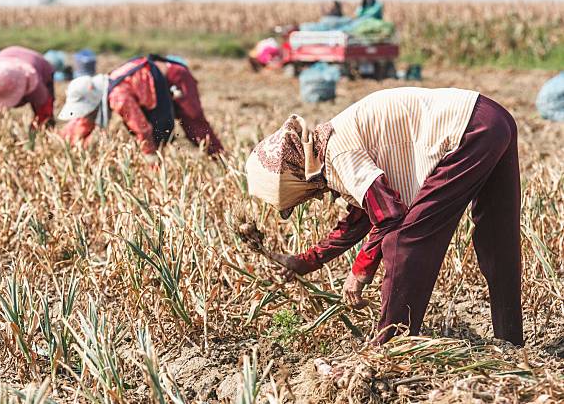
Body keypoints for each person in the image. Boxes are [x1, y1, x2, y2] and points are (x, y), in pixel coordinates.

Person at [245, 87, 523, 346]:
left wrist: (360, 271)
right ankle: (510, 342)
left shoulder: (337, 153)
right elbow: (364, 215)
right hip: (494, 120)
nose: (313, 197)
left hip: (469, 132)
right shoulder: (328, 142)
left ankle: (391, 345)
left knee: (404, 243)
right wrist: (304, 262)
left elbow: (389, 216)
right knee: (498, 239)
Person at [58, 54, 224, 158]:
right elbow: (85, 121)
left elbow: (142, 129)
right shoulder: (110, 86)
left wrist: (150, 159)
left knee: (193, 122)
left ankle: (221, 159)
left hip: (176, 77)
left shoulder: (118, 97)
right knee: (161, 134)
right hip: (160, 86)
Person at [0, 46, 54, 129]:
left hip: (39, 64)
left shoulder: (36, 85)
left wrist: (39, 127)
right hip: (7, 56)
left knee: (45, 117)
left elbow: (44, 107)